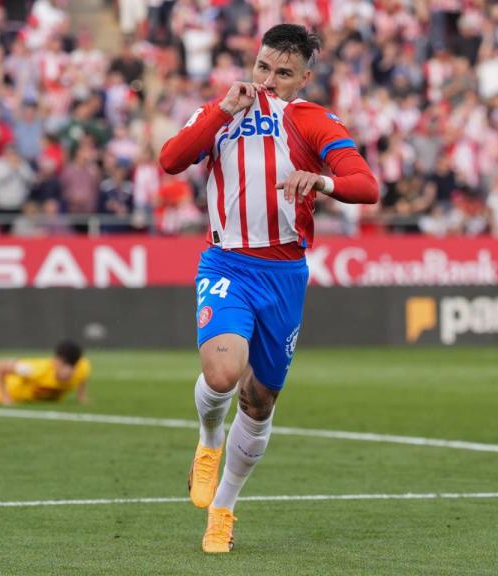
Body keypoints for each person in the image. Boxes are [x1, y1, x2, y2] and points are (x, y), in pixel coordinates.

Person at [158, 24, 378, 554]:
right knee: (223, 372)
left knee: (258, 402)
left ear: (304, 77)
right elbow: (170, 159)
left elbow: (366, 185)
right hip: (227, 263)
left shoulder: (311, 120)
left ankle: (224, 509)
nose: (269, 80)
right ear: (252, 64)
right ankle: (209, 442)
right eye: (263, 67)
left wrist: (320, 180)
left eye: (283, 73)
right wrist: (219, 110)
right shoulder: (220, 113)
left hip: (284, 274)